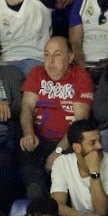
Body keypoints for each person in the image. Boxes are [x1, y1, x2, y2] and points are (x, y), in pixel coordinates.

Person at [19, 36, 95, 200]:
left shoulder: (81, 77)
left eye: (57, 55)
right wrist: (28, 134)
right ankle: (38, 205)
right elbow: (27, 107)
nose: (51, 61)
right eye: (47, 55)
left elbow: (79, 121)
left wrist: (58, 152)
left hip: (68, 141)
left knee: (63, 165)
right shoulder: (36, 74)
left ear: (70, 57)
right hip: (39, 139)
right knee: (27, 158)